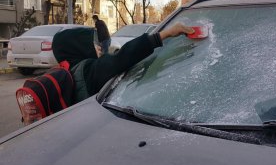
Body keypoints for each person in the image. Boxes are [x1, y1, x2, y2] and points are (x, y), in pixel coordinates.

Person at [52, 23, 194, 104]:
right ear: (79, 47)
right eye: (92, 44)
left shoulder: (67, 72)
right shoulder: (88, 72)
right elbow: (125, 56)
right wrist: (165, 34)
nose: (99, 47)